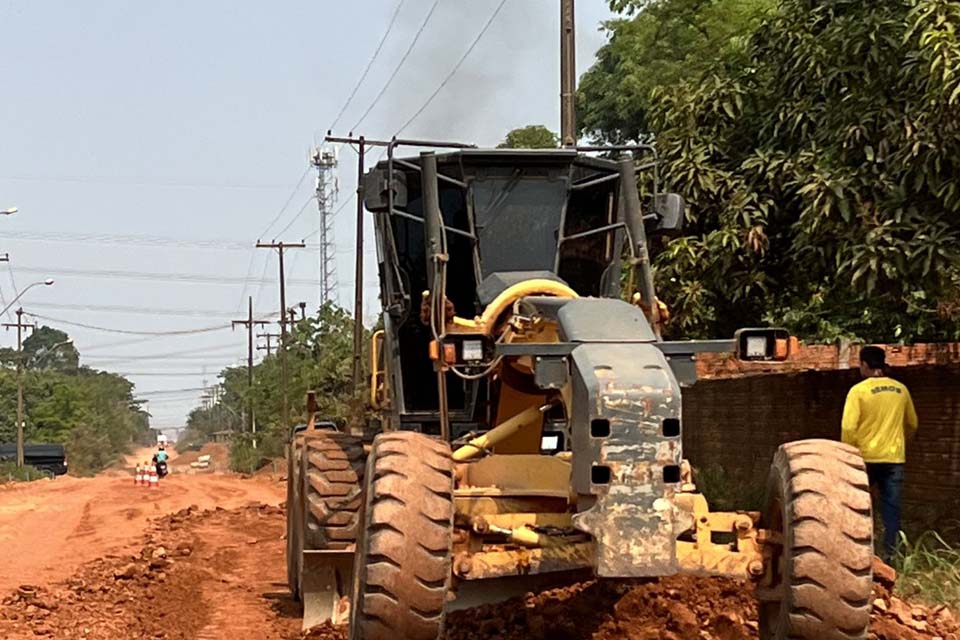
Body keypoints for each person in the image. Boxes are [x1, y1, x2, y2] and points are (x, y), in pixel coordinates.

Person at [841, 345, 918, 560]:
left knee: (858, 506)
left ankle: (858, 554)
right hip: (894, 459)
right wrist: (901, 442)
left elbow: (848, 428)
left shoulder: (858, 391)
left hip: (863, 458)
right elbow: (912, 423)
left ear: (864, 365)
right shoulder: (901, 390)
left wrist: (847, 454)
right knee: (891, 508)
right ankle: (891, 556)